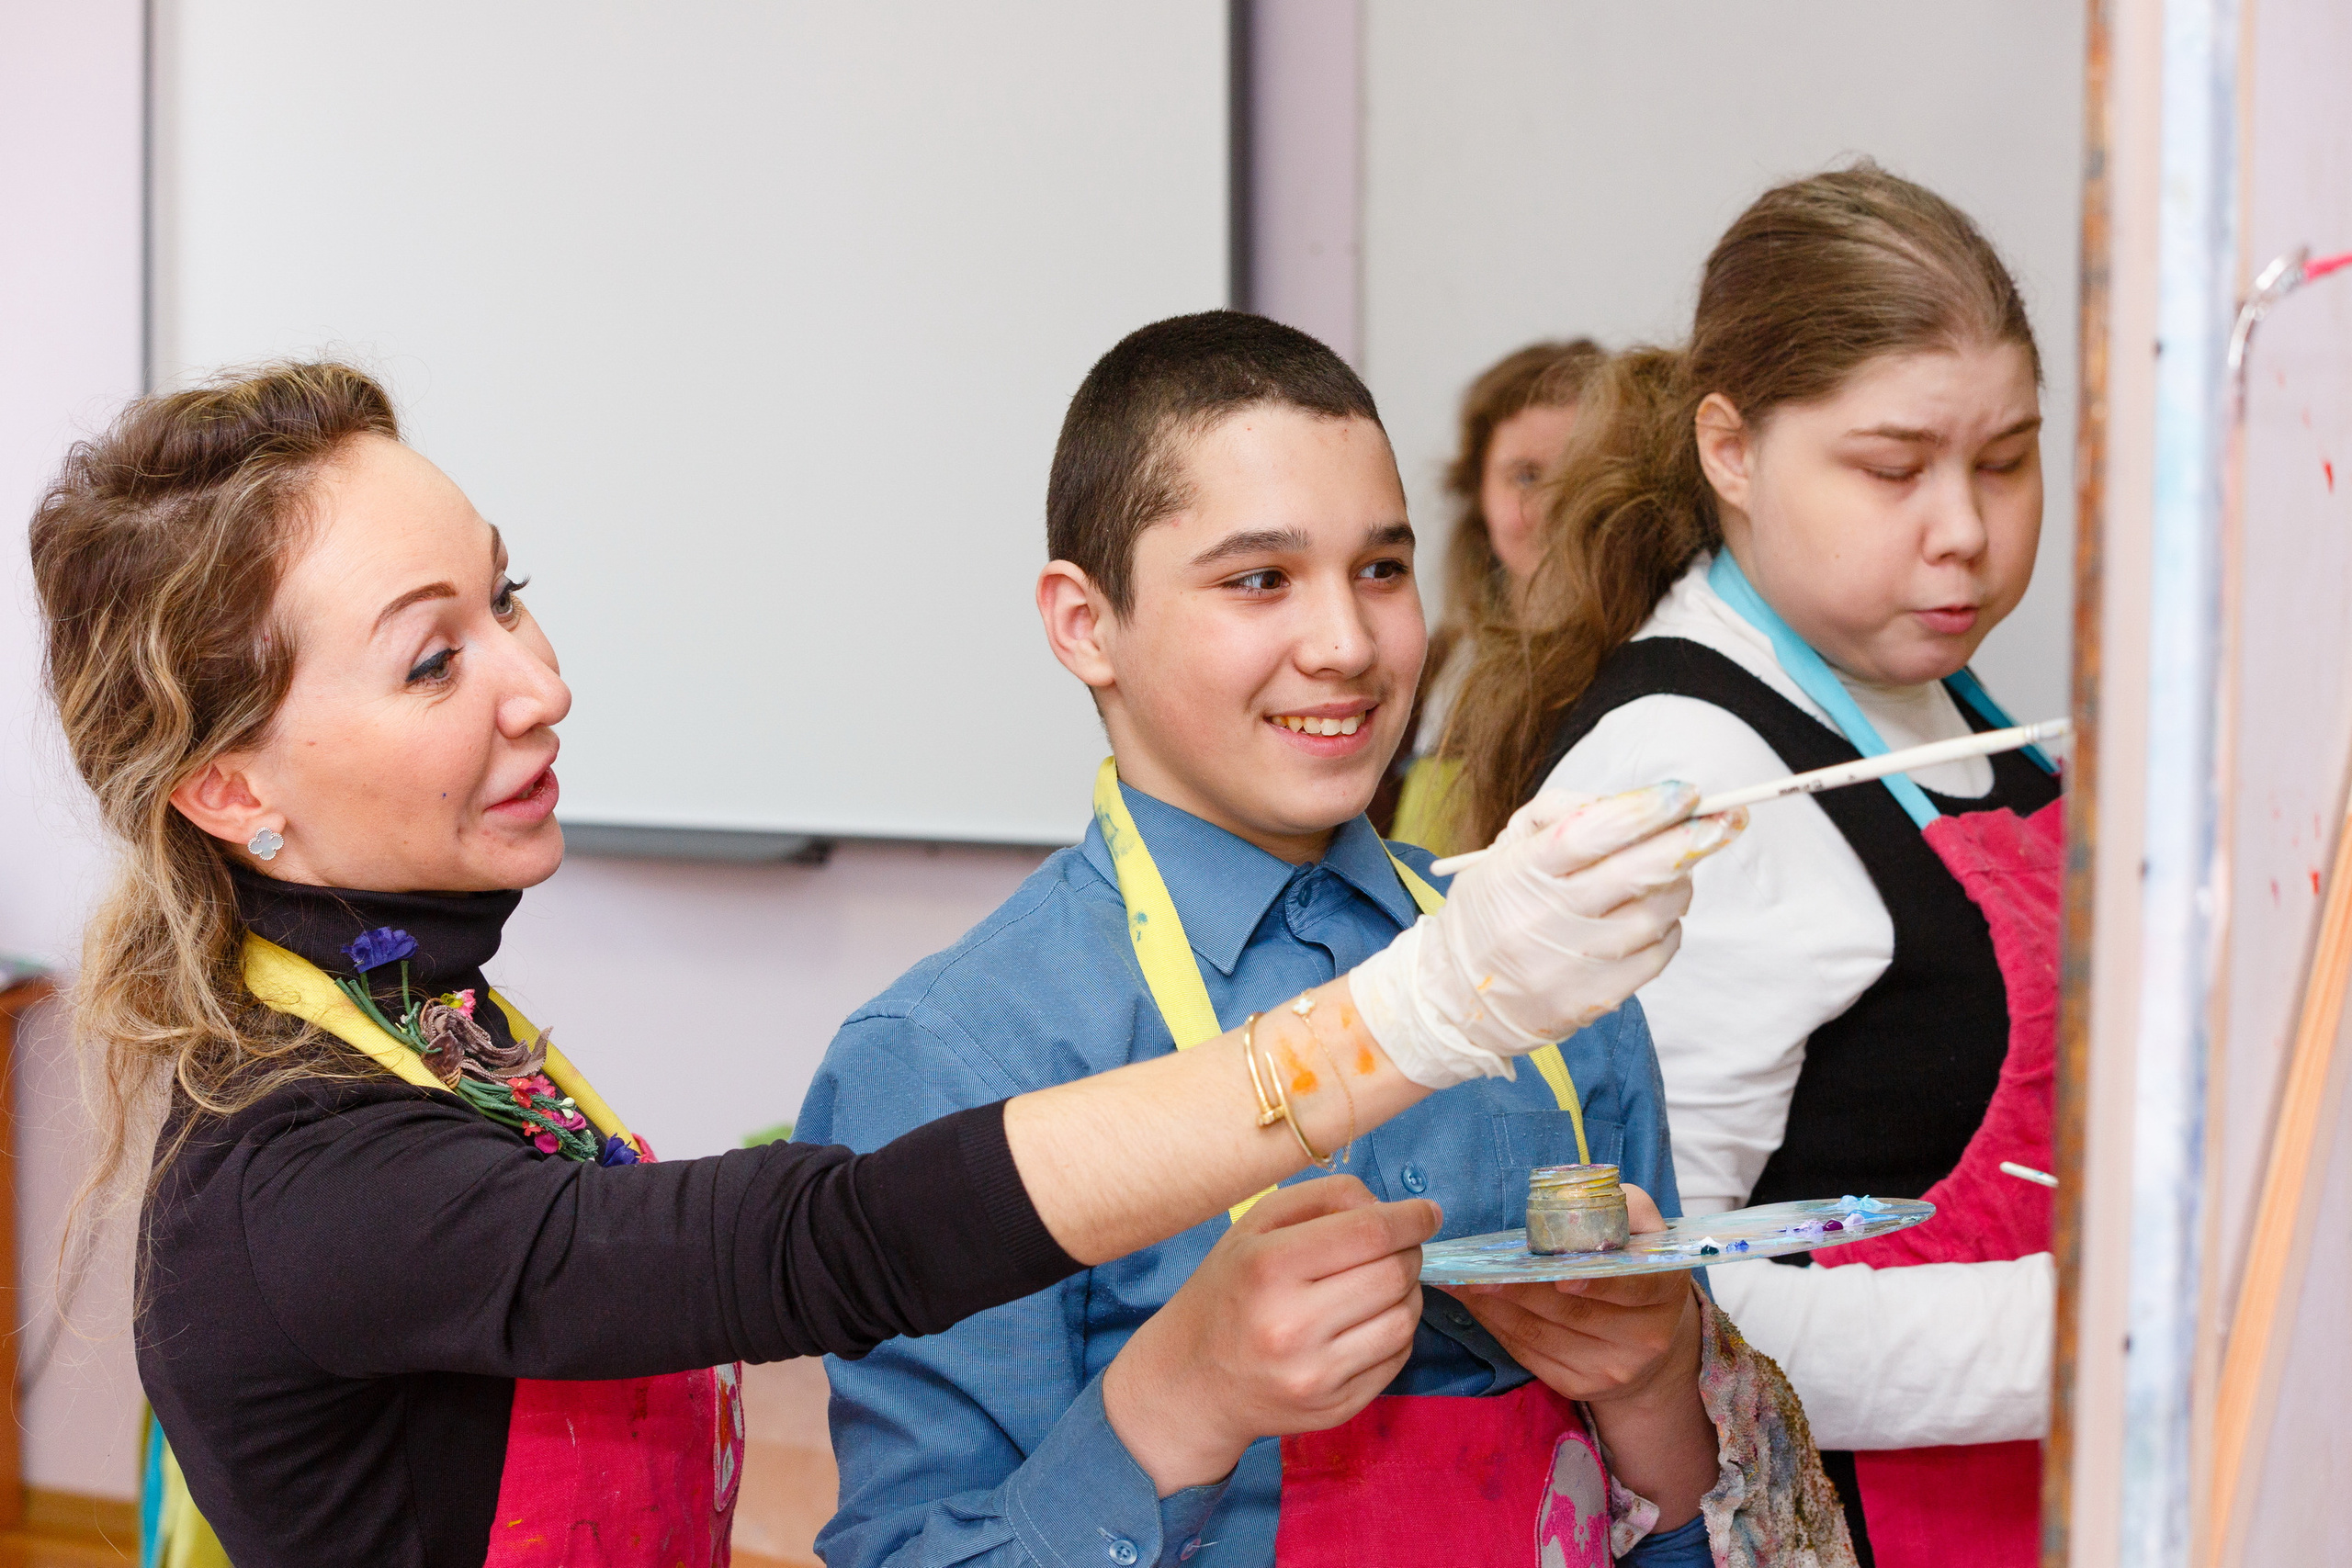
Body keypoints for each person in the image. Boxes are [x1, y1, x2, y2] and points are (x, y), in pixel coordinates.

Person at [28, 363, 1726, 1568]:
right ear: (232, 790)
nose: (540, 681)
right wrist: (1424, 1012)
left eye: (509, 597)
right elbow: (830, 1242)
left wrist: (1659, 1381)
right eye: (430, 660)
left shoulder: (422, 1016)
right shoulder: (300, 1175)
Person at [800, 312, 1853, 1568]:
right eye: (1259, 579)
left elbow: (1688, 1520)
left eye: (1382, 569)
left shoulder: (1545, 976)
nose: (1348, 644)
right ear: (1085, 623)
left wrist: (1652, 1383)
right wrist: (1183, 1402)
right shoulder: (949, 1057)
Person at [1445, 164, 2063, 1567]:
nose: (1966, 528)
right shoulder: (1687, 774)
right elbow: (1651, 1311)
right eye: (1893, 469)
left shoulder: (1935, 692)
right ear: (1729, 448)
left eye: (2008, 460)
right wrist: (2103, 1328)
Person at [1381, 339, 1604, 854]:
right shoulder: (1430, 667)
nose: (1554, 507)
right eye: (1526, 476)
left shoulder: (1650, 661)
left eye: (1583, 474)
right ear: (1478, 493)